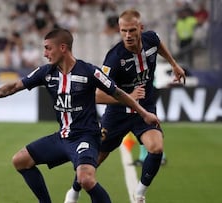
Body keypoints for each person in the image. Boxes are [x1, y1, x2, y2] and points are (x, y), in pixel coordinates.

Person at [0, 28, 159, 203]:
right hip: (62, 137)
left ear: (62, 48)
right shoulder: (46, 72)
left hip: (86, 136)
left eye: (48, 48)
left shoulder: (89, 71)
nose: (45, 53)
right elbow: (15, 86)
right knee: (20, 160)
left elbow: (117, 93)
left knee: (85, 179)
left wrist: (144, 113)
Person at [64, 9, 186, 203]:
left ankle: (139, 194)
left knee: (156, 148)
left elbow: (159, 45)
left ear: (141, 29)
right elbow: (97, 95)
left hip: (144, 110)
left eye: (132, 30)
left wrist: (173, 64)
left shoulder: (151, 39)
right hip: (117, 114)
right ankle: (73, 191)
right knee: (95, 159)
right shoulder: (114, 58)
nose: (128, 36)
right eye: (123, 31)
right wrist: (128, 97)